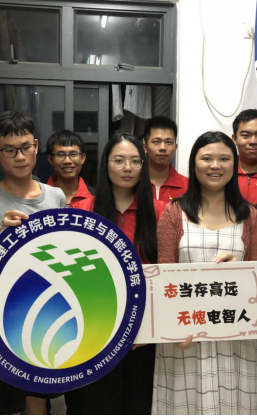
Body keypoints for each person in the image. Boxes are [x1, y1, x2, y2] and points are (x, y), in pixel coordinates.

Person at [154, 131, 257, 415]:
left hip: (235, 334)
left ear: (234, 165)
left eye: (224, 159)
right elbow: (165, 278)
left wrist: (240, 271)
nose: (215, 165)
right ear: (193, 164)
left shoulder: (252, 217)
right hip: (184, 334)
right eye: (207, 158)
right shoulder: (173, 213)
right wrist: (170, 329)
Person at [71, 133, 166, 415]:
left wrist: (149, 328)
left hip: (145, 333)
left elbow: (169, 272)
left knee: (138, 404)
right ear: (106, 164)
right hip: (95, 331)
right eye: (119, 160)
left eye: (136, 161)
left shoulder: (162, 212)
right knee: (97, 404)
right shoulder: (82, 211)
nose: (127, 168)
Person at [0, 112, 66, 416]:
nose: (19, 156)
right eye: (9, 150)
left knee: (40, 401)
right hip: (4, 317)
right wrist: (1, 235)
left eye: (25, 147)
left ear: (36, 146)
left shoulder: (56, 196)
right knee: (6, 401)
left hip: (48, 313)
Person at [142, 116, 189, 203]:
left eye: (169, 142)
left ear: (175, 147)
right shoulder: (133, 183)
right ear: (145, 147)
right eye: (156, 142)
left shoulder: (188, 187)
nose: (163, 148)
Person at [47, 130, 94, 207]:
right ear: (50, 159)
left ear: (83, 158)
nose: (67, 161)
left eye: (73, 154)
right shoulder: (39, 196)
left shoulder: (95, 197)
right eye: (60, 154)